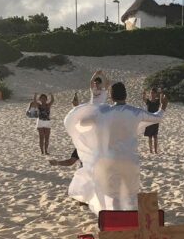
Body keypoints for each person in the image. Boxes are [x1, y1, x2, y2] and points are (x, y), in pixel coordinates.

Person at [64, 82, 167, 213]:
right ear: (126, 95)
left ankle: (114, 218)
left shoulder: (102, 112)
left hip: (109, 160)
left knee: (112, 194)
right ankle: (129, 218)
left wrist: (79, 108)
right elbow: (158, 118)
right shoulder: (135, 112)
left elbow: (82, 122)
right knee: (130, 194)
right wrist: (163, 106)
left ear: (111, 96)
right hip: (129, 160)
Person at [142, 88, 162, 154]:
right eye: (151, 93)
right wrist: (144, 93)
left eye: (153, 93)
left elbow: (161, 99)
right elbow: (144, 99)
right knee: (150, 136)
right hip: (149, 120)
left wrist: (160, 92)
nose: (152, 94)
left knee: (155, 136)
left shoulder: (157, 101)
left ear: (155, 94)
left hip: (155, 120)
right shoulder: (148, 101)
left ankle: (156, 151)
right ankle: (151, 151)